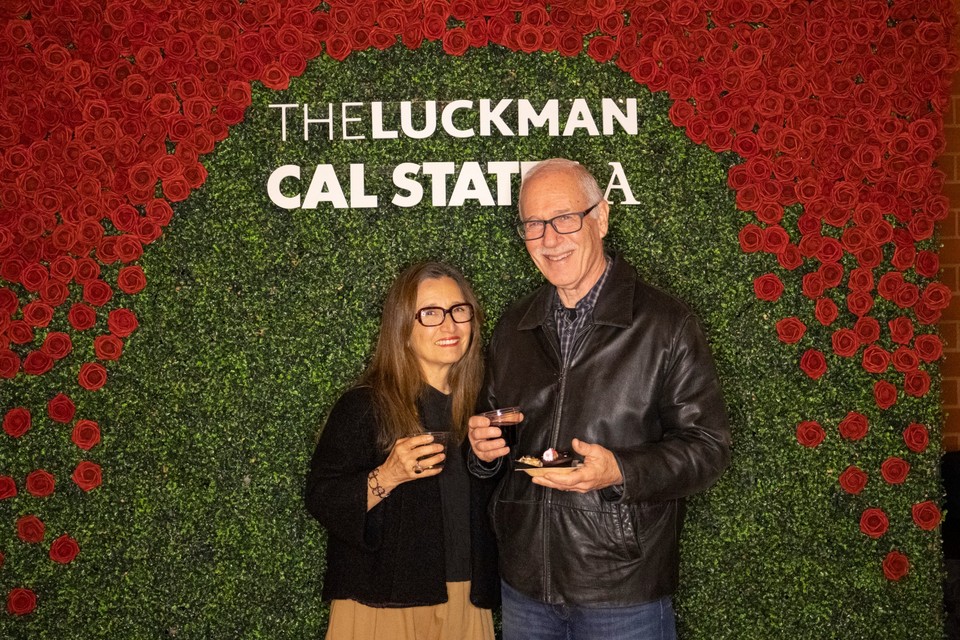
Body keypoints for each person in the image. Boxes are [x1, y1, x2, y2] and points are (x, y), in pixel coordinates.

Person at [468, 158, 731, 640]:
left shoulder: (665, 324)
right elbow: (496, 436)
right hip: (525, 584)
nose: (550, 238)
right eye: (533, 224)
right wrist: (483, 451)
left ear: (602, 217)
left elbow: (709, 448)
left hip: (623, 588)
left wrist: (620, 471)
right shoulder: (513, 327)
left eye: (565, 218)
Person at [306, 262, 499, 640]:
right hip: (381, 604)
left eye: (459, 310)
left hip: (467, 601)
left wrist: (490, 465)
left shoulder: (483, 407)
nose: (450, 325)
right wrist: (387, 475)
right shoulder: (365, 405)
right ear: (402, 328)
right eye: (430, 313)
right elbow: (321, 497)